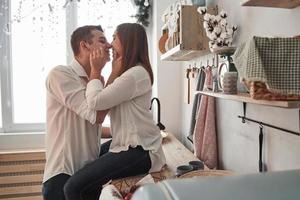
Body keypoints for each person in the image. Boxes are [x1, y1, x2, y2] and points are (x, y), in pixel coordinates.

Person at [63, 23, 166, 200]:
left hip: (141, 150)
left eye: (114, 38)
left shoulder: (135, 74)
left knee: (72, 188)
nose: (110, 44)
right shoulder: (130, 74)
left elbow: (95, 101)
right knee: (85, 175)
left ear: (128, 41)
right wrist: (114, 72)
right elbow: (105, 99)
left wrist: (96, 70)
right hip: (128, 144)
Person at [42, 25, 111, 200]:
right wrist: (98, 71)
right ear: (84, 45)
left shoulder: (94, 81)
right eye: (102, 41)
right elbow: (96, 116)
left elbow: (89, 126)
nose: (109, 45)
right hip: (62, 179)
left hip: (87, 179)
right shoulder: (60, 74)